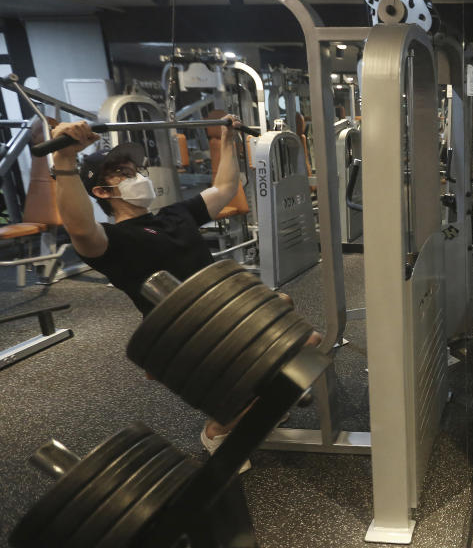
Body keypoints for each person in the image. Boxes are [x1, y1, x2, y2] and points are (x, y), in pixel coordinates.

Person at [49, 118, 319, 472]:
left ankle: (258, 399)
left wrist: (226, 139)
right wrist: (64, 162)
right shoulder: (111, 242)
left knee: (303, 337)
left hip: (226, 311)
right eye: (122, 174)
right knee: (293, 353)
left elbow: (224, 186)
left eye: (135, 170)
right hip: (182, 334)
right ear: (101, 192)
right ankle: (218, 430)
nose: (137, 177)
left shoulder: (175, 215)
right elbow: (80, 227)